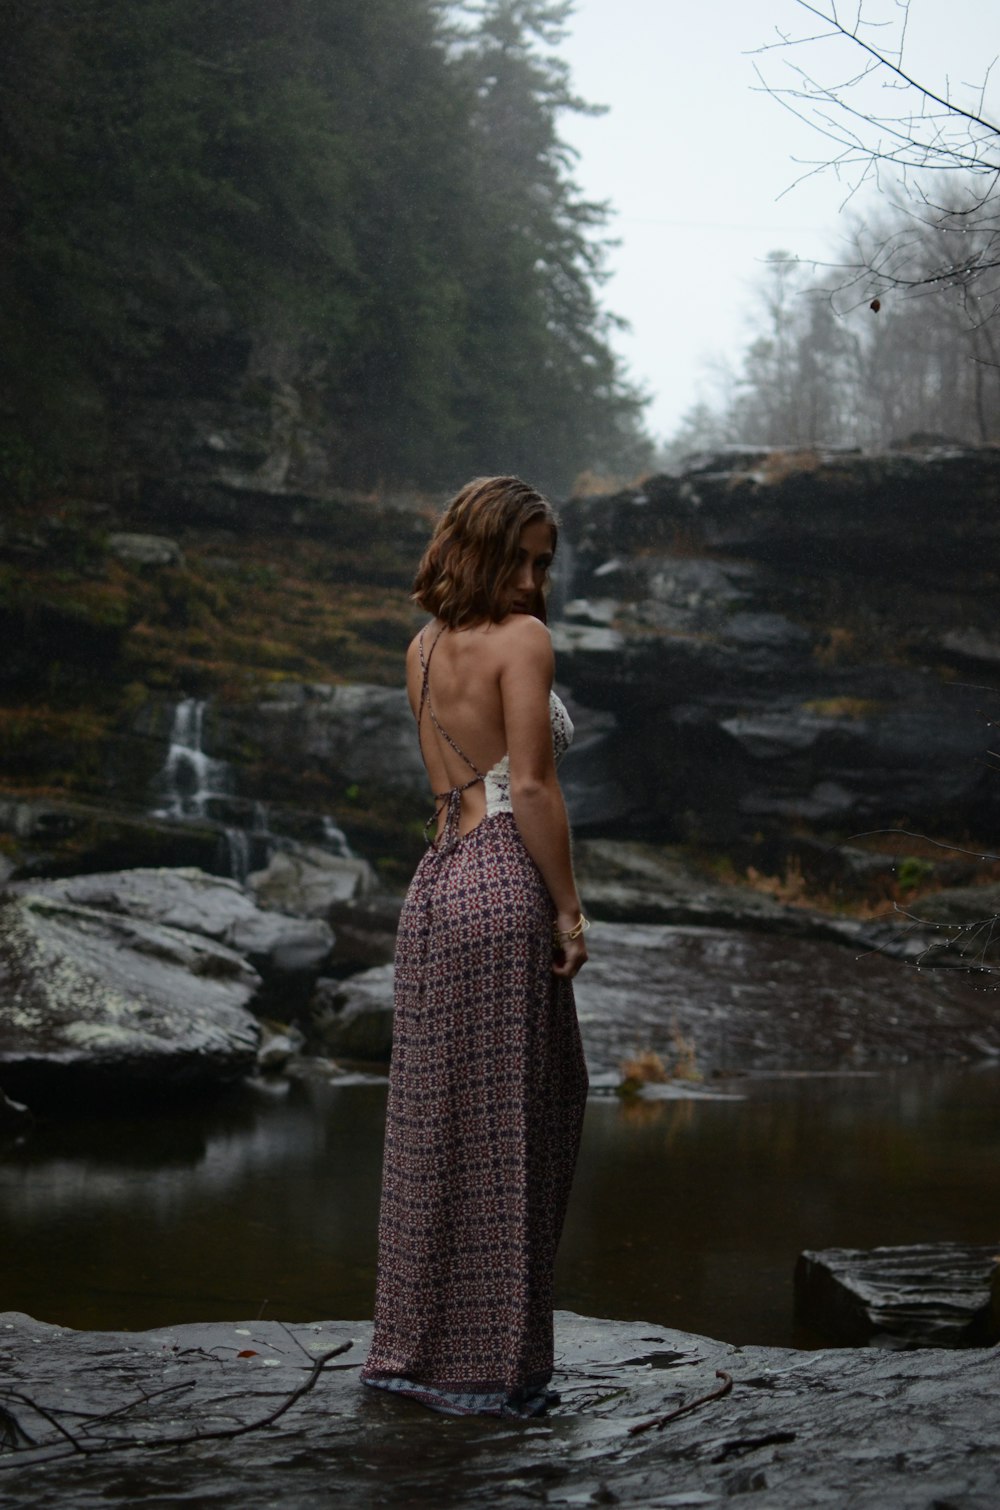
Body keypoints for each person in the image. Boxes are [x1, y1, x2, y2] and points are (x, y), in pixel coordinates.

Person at [360, 475, 590, 1418]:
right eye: (523, 558)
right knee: (519, 1125)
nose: (535, 581)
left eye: (545, 563)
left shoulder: (422, 648)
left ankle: (411, 1354)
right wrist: (570, 911)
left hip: (436, 889)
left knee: (435, 1126)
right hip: (503, 884)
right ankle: (497, 1372)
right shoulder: (523, 642)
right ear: (484, 546)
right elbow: (529, 789)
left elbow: (457, 779)